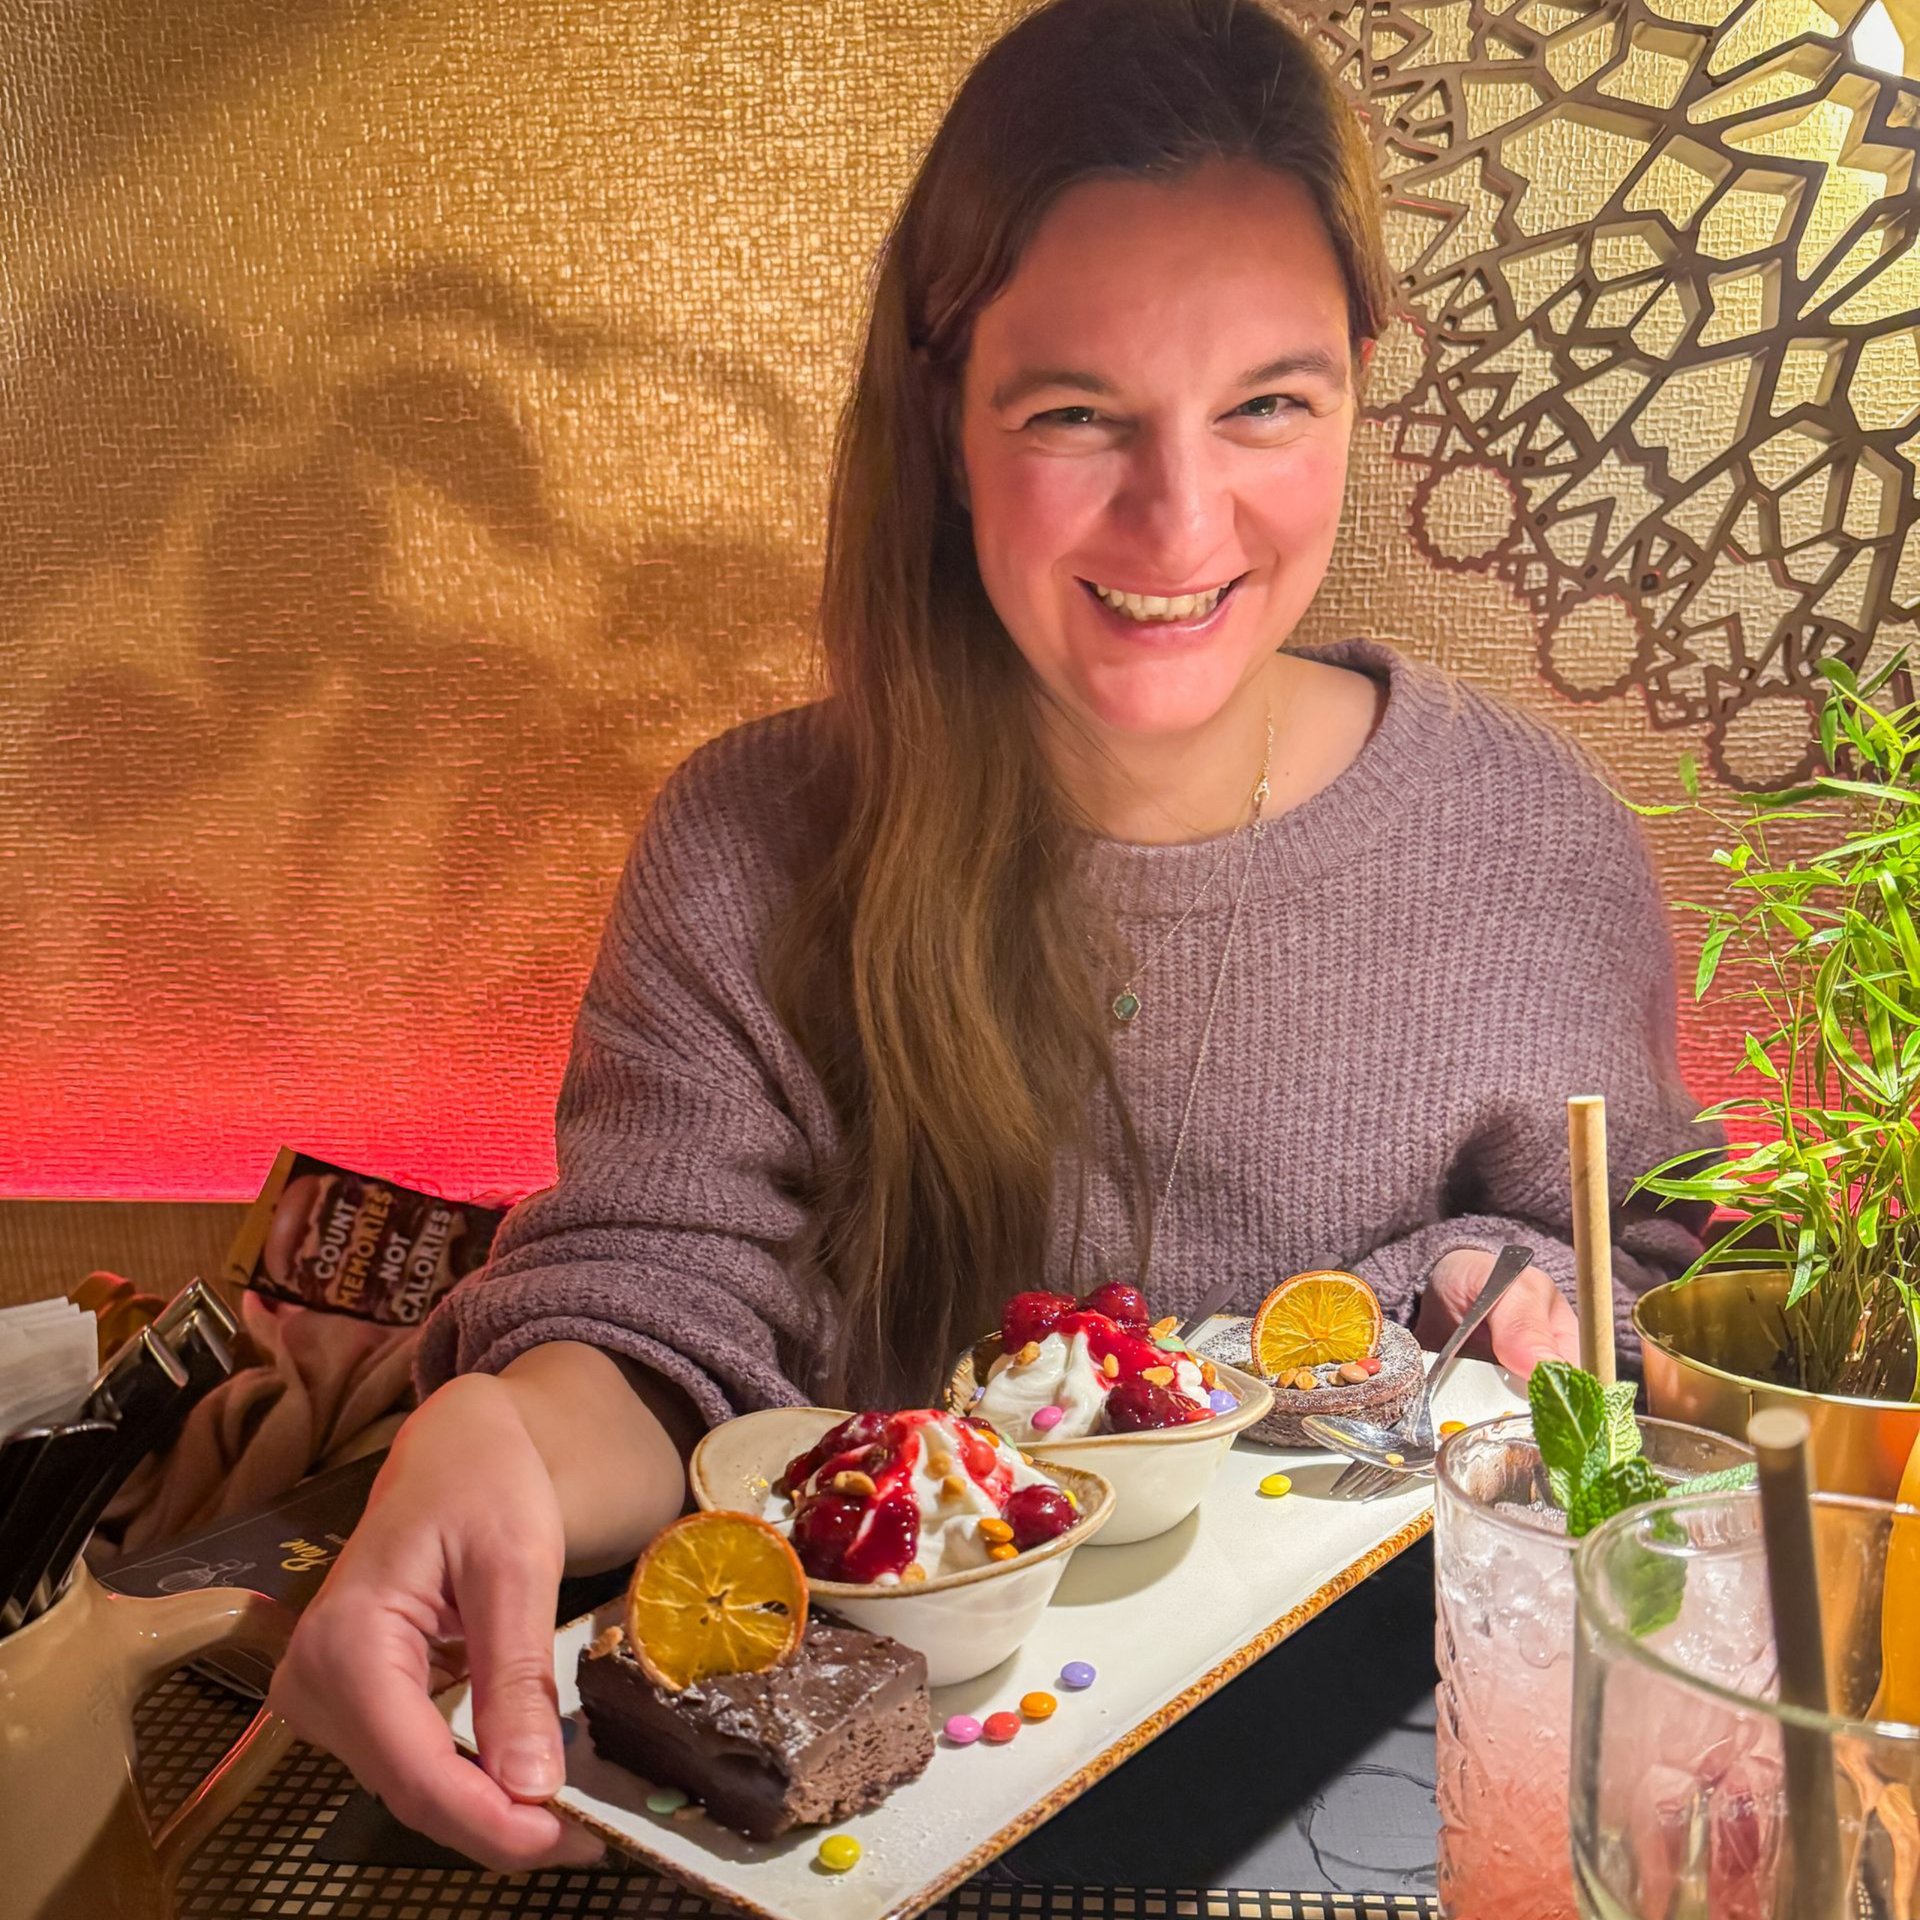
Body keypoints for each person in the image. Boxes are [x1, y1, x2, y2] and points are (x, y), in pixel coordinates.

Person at [268, 0, 1715, 1871]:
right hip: (872, 1820)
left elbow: (1645, 1289)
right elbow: (663, 1325)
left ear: (1364, 375)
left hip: (1401, 1800)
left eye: (1269, 401)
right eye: (1074, 415)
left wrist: (1496, 1279)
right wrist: (502, 1444)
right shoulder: (747, 842)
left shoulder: (1532, 840)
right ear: (944, 424)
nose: (1180, 518)